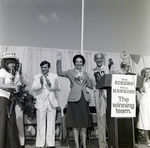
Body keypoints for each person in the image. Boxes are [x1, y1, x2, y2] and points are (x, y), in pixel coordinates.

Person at [56, 52, 93, 148]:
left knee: (84, 123)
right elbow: (59, 72)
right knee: (75, 123)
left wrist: (91, 78)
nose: (79, 63)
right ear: (74, 63)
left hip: (84, 100)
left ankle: (84, 144)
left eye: (80, 62)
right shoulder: (70, 72)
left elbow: (90, 86)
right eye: (77, 62)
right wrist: (59, 60)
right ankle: (76, 144)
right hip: (73, 100)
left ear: (83, 63)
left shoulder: (86, 74)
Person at [31, 60, 61, 148]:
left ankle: (50, 144)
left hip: (51, 102)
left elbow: (58, 87)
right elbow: (33, 88)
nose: (43, 69)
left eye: (45, 67)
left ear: (48, 67)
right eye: (42, 67)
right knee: (40, 123)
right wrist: (40, 84)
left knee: (51, 123)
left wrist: (50, 84)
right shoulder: (37, 76)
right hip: (41, 103)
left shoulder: (54, 76)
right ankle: (40, 144)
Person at [0, 52, 21, 148]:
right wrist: (12, 86)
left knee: (11, 123)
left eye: (13, 62)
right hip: (2, 98)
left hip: (10, 99)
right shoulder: (2, 71)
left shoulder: (12, 74)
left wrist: (16, 78)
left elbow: (17, 86)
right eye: (10, 62)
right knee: (2, 121)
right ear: (5, 62)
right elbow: (0, 85)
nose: (12, 64)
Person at [91, 53, 109, 148]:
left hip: (108, 96)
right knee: (101, 119)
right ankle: (102, 144)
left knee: (110, 120)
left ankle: (113, 141)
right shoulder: (92, 71)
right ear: (94, 59)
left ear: (103, 59)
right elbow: (90, 84)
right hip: (98, 96)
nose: (99, 60)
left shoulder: (108, 69)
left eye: (100, 58)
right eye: (97, 58)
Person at [137, 67, 150, 147]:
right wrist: (144, 80)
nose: (148, 74)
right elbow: (141, 91)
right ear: (144, 73)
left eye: (149, 72)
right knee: (145, 119)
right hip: (145, 102)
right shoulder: (142, 81)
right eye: (146, 72)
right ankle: (147, 140)